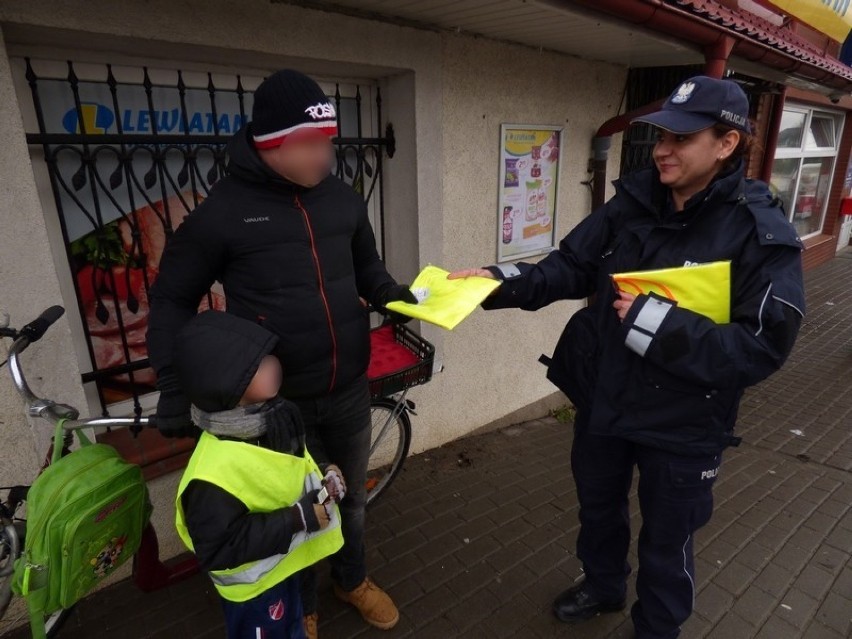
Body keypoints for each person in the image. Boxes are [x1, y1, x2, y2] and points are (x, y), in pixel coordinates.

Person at [449, 75, 805, 639]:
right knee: (599, 510)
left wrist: (652, 321)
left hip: (684, 424)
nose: (663, 149)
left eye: (682, 138)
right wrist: (495, 281)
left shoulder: (758, 232)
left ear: (726, 143)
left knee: (667, 541)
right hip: (607, 401)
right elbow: (568, 265)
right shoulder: (633, 203)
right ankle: (603, 583)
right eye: (662, 134)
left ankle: (656, 629)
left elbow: (762, 346)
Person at [146, 69, 415, 636]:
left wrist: (393, 295)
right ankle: (303, 609)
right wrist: (173, 384)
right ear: (273, 145)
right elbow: (171, 298)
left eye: (330, 140)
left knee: (352, 502)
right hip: (276, 406)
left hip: (347, 387)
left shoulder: (341, 197)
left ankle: (351, 580)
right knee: (291, 514)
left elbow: (367, 267)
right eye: (312, 143)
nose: (327, 153)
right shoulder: (223, 213)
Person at [172, 310, 346, 639]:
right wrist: (299, 518)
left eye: (270, 356)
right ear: (224, 384)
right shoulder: (211, 474)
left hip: (282, 567)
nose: (275, 366)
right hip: (254, 593)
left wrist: (326, 473)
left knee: (293, 627)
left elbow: (294, 465)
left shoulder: (268, 418)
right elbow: (218, 547)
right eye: (258, 364)